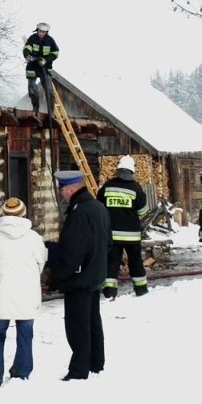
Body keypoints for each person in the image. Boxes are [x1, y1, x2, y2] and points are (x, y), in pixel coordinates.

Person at [0, 197, 47, 389]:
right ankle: (22, 371)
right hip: (27, 293)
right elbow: (41, 262)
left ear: (4, 214)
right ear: (24, 213)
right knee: (25, 334)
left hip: (2, 293)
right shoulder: (34, 238)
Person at [51, 170, 111, 381]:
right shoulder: (98, 207)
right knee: (93, 322)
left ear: (70, 189)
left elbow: (73, 250)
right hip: (95, 275)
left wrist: (60, 275)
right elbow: (108, 242)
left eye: (62, 190)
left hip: (80, 278)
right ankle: (96, 361)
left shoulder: (79, 212)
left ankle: (79, 369)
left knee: (78, 326)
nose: (62, 195)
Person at [97, 155, 149, 298]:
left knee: (112, 262)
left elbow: (99, 206)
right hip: (132, 235)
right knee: (135, 262)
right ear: (132, 171)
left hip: (112, 234)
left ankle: (110, 292)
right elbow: (143, 211)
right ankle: (141, 290)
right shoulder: (136, 188)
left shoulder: (107, 186)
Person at [23, 22, 59, 115]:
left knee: (49, 91)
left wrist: (46, 60)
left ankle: (51, 112)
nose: (41, 33)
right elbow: (26, 48)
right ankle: (35, 109)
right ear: (37, 30)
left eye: (43, 32)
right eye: (40, 31)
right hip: (32, 66)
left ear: (46, 32)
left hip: (45, 67)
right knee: (32, 88)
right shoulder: (32, 38)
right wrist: (27, 56)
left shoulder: (50, 41)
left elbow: (55, 53)